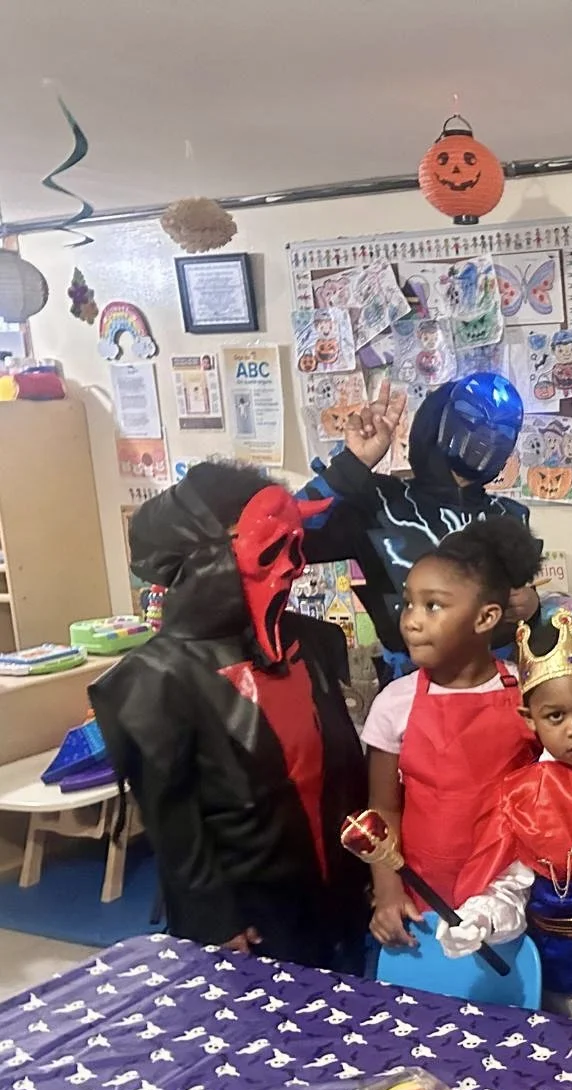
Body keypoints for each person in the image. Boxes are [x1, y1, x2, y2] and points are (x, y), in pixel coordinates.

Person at [90, 462, 368, 970]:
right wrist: (214, 918)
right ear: (207, 559)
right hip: (254, 918)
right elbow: (175, 824)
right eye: (269, 548)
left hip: (338, 899)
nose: (292, 568)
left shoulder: (313, 644)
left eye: (295, 547)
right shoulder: (156, 680)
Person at [436, 606, 572, 1022]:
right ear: (530, 719)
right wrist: (481, 919)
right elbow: (508, 887)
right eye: (556, 716)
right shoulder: (520, 797)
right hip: (556, 979)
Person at [363, 516, 544, 941]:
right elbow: (383, 808)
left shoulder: (528, 695)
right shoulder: (395, 703)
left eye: (434, 606)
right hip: (422, 905)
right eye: (408, 603)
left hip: (512, 902)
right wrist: (387, 892)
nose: (411, 621)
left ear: (486, 617)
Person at [298, 372, 539, 680]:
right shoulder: (379, 502)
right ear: (438, 421)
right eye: (474, 419)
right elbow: (272, 539)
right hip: (410, 697)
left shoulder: (510, 516)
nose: (490, 436)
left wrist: (531, 607)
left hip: (498, 691)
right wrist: (351, 467)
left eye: (504, 429)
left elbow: (522, 609)